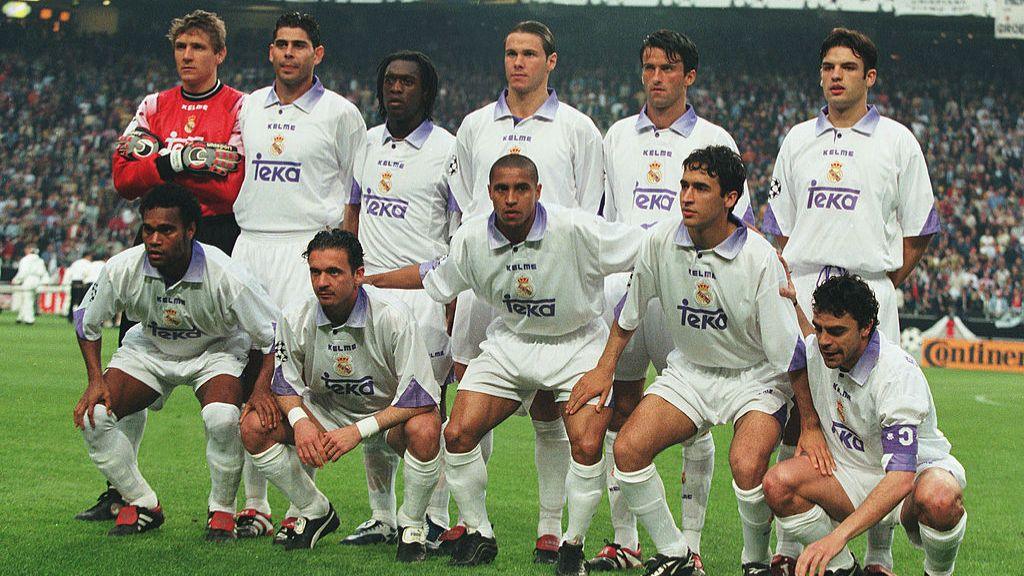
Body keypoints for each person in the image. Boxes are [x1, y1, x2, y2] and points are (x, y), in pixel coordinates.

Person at [365, 154, 640, 572]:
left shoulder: (576, 229)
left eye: (521, 189)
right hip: (510, 342)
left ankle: (572, 545)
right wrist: (372, 279)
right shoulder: (473, 238)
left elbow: (648, 250)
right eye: (502, 189)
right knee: (456, 433)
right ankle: (480, 532)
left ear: (538, 192)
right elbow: (433, 276)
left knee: (586, 444)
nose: (511, 198)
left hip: (577, 345)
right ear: (490, 193)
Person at [568, 146, 827, 576]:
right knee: (628, 452)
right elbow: (627, 316)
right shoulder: (659, 241)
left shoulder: (759, 258)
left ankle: (755, 562)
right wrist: (603, 369)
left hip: (755, 376)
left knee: (746, 464)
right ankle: (676, 555)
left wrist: (812, 426)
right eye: (684, 186)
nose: (686, 196)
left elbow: (792, 357)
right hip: (690, 370)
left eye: (700, 188)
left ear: (729, 198)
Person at [762, 28, 938, 575]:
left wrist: (887, 279)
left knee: (870, 425)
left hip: (869, 293)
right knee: (801, 420)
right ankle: (797, 546)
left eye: (848, 67)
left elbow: (920, 227)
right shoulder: (797, 140)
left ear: (870, 77)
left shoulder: (897, 141)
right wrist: (796, 281)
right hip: (807, 290)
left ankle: (879, 557)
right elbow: (779, 227)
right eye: (828, 66)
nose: (835, 75)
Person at [594, 29, 756, 573]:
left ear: (688, 75)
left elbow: (739, 227)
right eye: (648, 67)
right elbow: (601, 217)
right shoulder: (616, 135)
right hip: (625, 287)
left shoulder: (715, 139)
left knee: (693, 417)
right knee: (619, 407)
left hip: (689, 291)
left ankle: (690, 546)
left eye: (668, 68)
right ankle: (625, 542)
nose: (657, 77)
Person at [444, 20, 605, 562]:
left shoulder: (579, 129)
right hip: (487, 275)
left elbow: (588, 213)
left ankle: (550, 527)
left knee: (550, 412)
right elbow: (468, 204)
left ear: (550, 62)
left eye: (530, 54)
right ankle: (468, 522)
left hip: (555, 286)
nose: (518, 63)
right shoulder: (473, 126)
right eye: (511, 53)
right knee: (471, 395)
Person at [82, 9, 246, 525]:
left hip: (218, 236)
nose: (188, 57)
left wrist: (158, 159)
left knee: (230, 358)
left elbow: (229, 185)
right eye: (181, 48)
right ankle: (122, 492)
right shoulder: (153, 104)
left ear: (219, 54)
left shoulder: (241, 107)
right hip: (158, 235)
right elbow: (122, 177)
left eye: (198, 48)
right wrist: (187, 160)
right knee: (136, 357)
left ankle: (240, 503)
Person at [71, 185, 278, 542]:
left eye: (165, 230)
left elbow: (272, 332)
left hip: (216, 350)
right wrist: (95, 379)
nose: (154, 239)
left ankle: (222, 512)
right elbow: (85, 321)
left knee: (222, 417)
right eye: (148, 229)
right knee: (95, 417)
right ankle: (143, 503)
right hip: (150, 347)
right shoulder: (122, 268)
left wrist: (260, 388)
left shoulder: (227, 274)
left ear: (190, 231)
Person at [232, 12, 368, 537]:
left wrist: (349, 256)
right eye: (281, 45)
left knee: (297, 373)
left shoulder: (341, 114)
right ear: (270, 52)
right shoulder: (247, 107)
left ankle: (300, 506)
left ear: (319, 53)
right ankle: (253, 503)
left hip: (305, 247)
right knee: (249, 371)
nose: (289, 53)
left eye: (300, 45)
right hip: (251, 243)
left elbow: (355, 195)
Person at [240, 229, 443, 559]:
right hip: (328, 410)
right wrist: (300, 422)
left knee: (427, 427)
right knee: (253, 425)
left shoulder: (394, 315)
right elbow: (285, 384)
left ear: (358, 274)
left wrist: (357, 431)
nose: (322, 282)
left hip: (387, 414)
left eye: (333, 272)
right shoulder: (295, 316)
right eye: (315, 272)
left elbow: (417, 396)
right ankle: (315, 510)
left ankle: (411, 524)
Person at [765, 273, 966, 576]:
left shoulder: (896, 374)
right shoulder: (824, 348)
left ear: (866, 328)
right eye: (820, 329)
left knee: (940, 499)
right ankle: (844, 570)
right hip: (850, 475)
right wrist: (793, 303)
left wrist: (837, 537)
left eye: (835, 331)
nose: (824, 341)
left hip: (910, 481)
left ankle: (938, 573)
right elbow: (805, 341)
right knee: (777, 484)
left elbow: (900, 477)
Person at [340, 50, 456, 548]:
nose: (396, 88)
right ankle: (383, 516)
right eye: (389, 80)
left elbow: (458, 236)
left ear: (426, 92)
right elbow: (353, 212)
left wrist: (453, 304)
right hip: (371, 302)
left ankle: (433, 516)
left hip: (425, 302)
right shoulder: (365, 143)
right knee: (373, 403)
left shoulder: (450, 150)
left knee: (427, 412)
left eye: (408, 82)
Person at [12, 245, 48, 325]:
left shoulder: (25, 259)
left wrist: (16, 280)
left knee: (27, 299)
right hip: (38, 281)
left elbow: (23, 272)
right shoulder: (40, 260)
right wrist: (45, 282)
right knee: (29, 299)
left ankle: (29, 319)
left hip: (28, 280)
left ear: (28, 249)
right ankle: (20, 317)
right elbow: (44, 272)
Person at [65, 253, 94, 323]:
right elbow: (88, 273)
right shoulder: (88, 263)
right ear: (88, 256)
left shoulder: (76, 263)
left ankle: (70, 317)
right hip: (82, 283)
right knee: (81, 301)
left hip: (73, 282)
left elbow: (69, 272)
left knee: (73, 301)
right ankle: (79, 317)